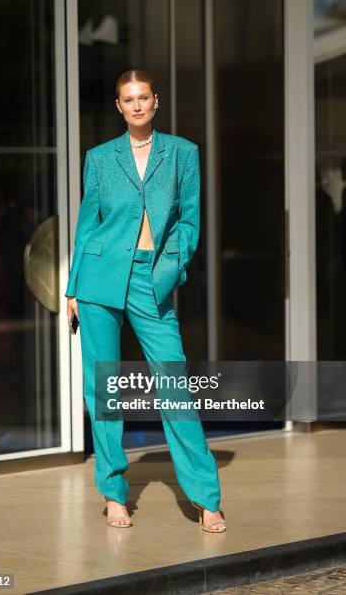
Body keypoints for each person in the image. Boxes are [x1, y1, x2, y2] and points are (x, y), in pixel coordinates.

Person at [66, 69, 226, 533]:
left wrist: (169, 268)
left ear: (156, 101)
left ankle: (205, 496)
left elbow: (189, 221)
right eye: (127, 99)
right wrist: (74, 287)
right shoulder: (98, 158)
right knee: (105, 389)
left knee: (174, 384)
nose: (136, 105)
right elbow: (86, 223)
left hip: (149, 277)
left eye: (143, 98)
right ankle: (114, 493)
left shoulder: (182, 153)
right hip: (98, 280)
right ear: (118, 106)